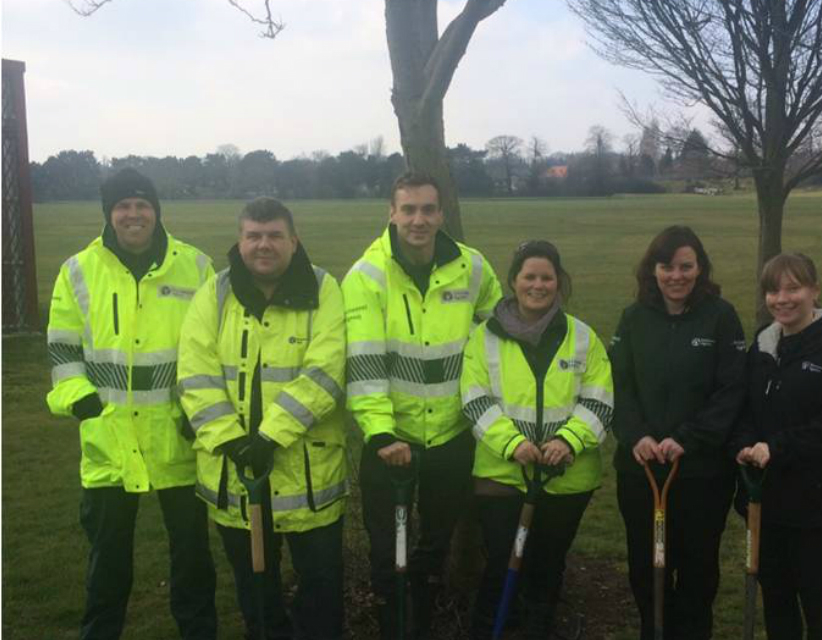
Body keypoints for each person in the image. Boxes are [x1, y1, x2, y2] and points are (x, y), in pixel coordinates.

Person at [46, 168, 217, 640]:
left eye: (143, 205)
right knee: (108, 562)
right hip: (110, 440)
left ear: (157, 211)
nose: (134, 214)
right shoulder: (78, 270)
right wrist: (81, 401)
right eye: (123, 205)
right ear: (109, 213)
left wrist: (197, 411)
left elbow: (212, 350)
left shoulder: (197, 267)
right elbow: (63, 349)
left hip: (179, 440)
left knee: (192, 559)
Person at [177, 197, 347, 640]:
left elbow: (326, 372)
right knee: (256, 593)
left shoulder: (324, 289)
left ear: (294, 241)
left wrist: (270, 437)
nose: (263, 245)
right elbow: (195, 374)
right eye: (253, 236)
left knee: (322, 592)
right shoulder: (213, 294)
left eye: (274, 235)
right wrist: (231, 441)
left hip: (309, 479)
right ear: (240, 241)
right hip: (236, 478)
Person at [342, 171, 502, 639]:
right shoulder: (367, 276)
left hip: (452, 436)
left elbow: (497, 333)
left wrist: (480, 404)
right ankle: (392, 624)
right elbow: (365, 362)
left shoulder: (472, 267)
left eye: (428, 210)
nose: (418, 219)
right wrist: (382, 432)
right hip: (391, 442)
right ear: (391, 213)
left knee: (434, 545)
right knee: (387, 549)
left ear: (441, 214)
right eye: (408, 209)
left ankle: (423, 622)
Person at [461, 240, 613, 640]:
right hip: (502, 474)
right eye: (529, 276)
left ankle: (538, 627)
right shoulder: (484, 338)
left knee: (548, 564)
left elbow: (600, 399)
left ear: (558, 282)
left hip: (567, 478)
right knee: (501, 562)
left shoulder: (582, 337)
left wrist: (569, 441)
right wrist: (512, 444)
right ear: (513, 281)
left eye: (547, 277)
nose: (538, 285)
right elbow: (474, 399)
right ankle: (489, 629)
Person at [608, 225, 746, 640]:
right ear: (653, 270)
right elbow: (618, 386)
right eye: (666, 266)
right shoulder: (633, 319)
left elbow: (732, 389)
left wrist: (689, 436)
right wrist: (637, 436)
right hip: (642, 470)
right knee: (647, 567)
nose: (676, 276)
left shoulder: (721, 316)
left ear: (700, 268)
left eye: (686, 266)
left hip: (702, 472)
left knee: (698, 567)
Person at [732, 253, 822, 640]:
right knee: (777, 601)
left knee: (819, 604)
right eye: (773, 290)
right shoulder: (761, 349)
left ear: (815, 290)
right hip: (766, 502)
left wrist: (776, 447)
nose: (782, 299)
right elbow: (743, 408)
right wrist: (745, 444)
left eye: (793, 288)